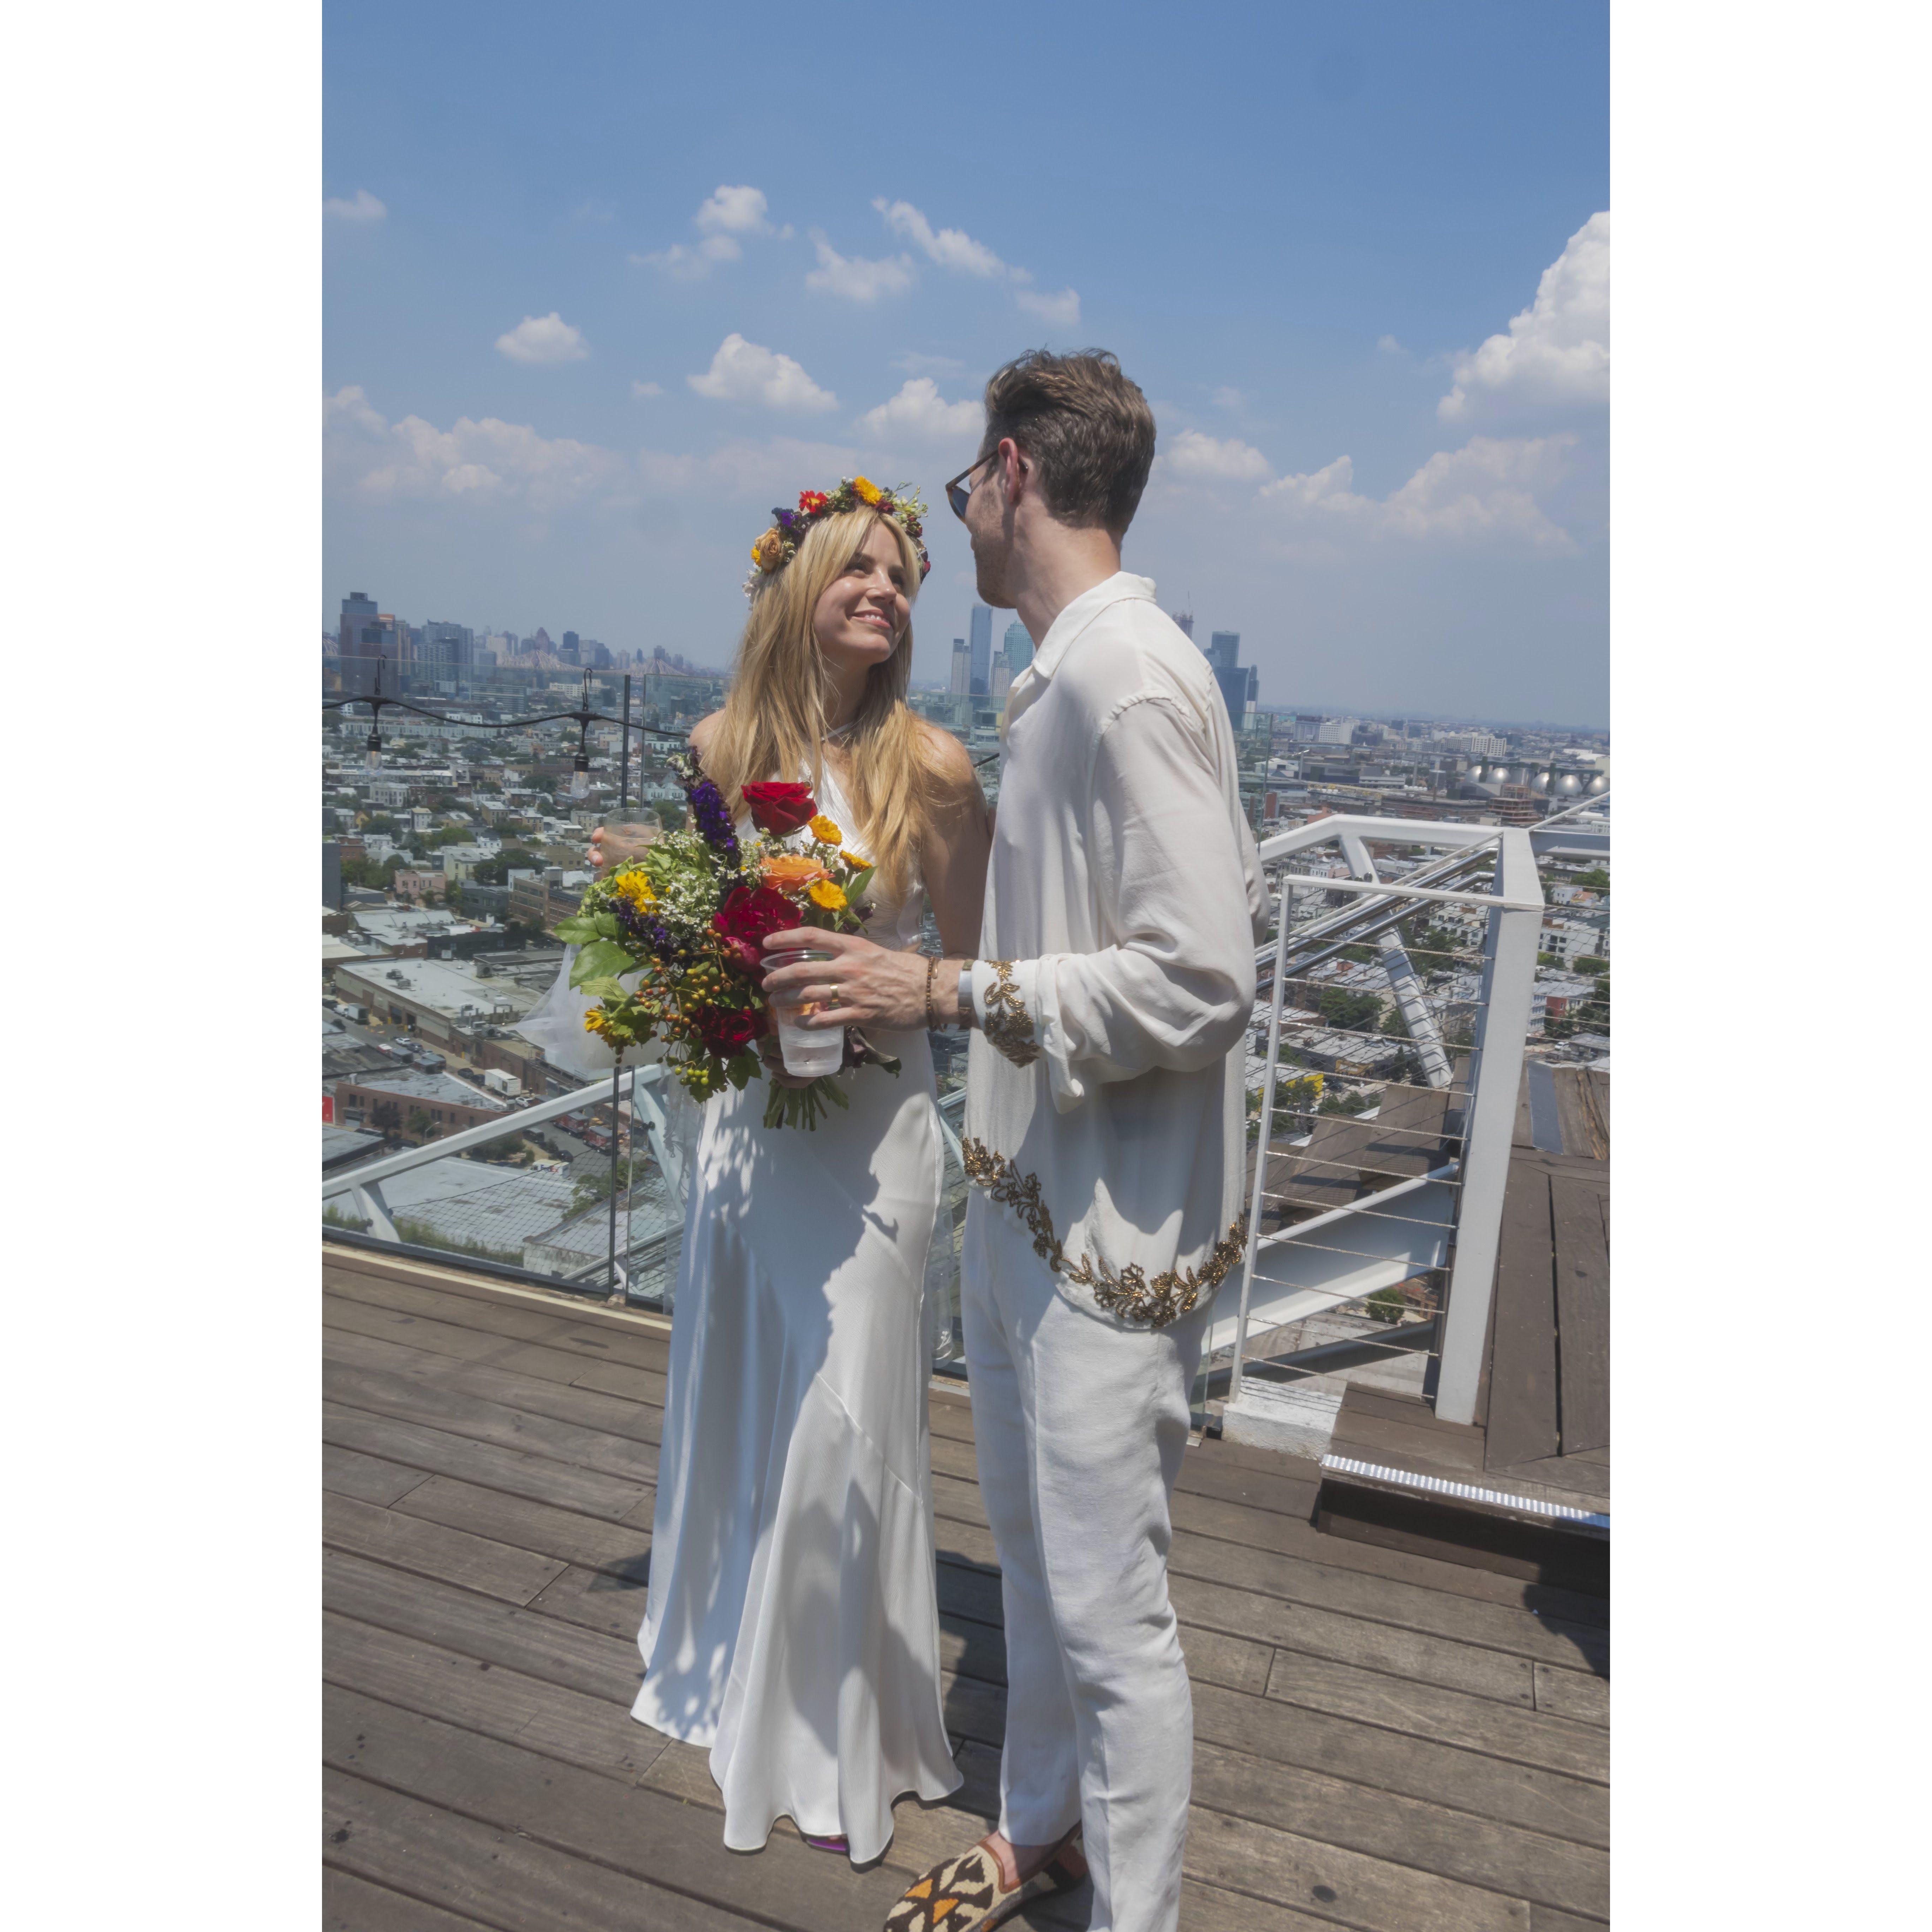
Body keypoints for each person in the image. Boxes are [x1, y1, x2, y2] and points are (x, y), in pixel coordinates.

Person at [763, 352, 1265, 1932]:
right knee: (1041, 1575)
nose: (962, 515)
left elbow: (1204, 980)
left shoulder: (1130, 682)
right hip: (1029, 1204)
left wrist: (941, 987)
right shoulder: (1064, 678)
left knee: (1113, 1622)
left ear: (1011, 475)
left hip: (1110, 1241)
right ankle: (1041, 1827)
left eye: (966, 486)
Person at [619, 485, 992, 1865]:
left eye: (903, 577)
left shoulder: (933, 769)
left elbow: (980, 968)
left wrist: (891, 993)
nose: (887, 590)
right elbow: (697, 937)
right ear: (800, 585)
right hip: (752, 1128)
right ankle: (734, 1666)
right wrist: (719, 994)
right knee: (753, 1392)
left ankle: (841, 1737)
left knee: (850, 1413)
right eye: (862, 568)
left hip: (879, 1130)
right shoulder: (718, 747)